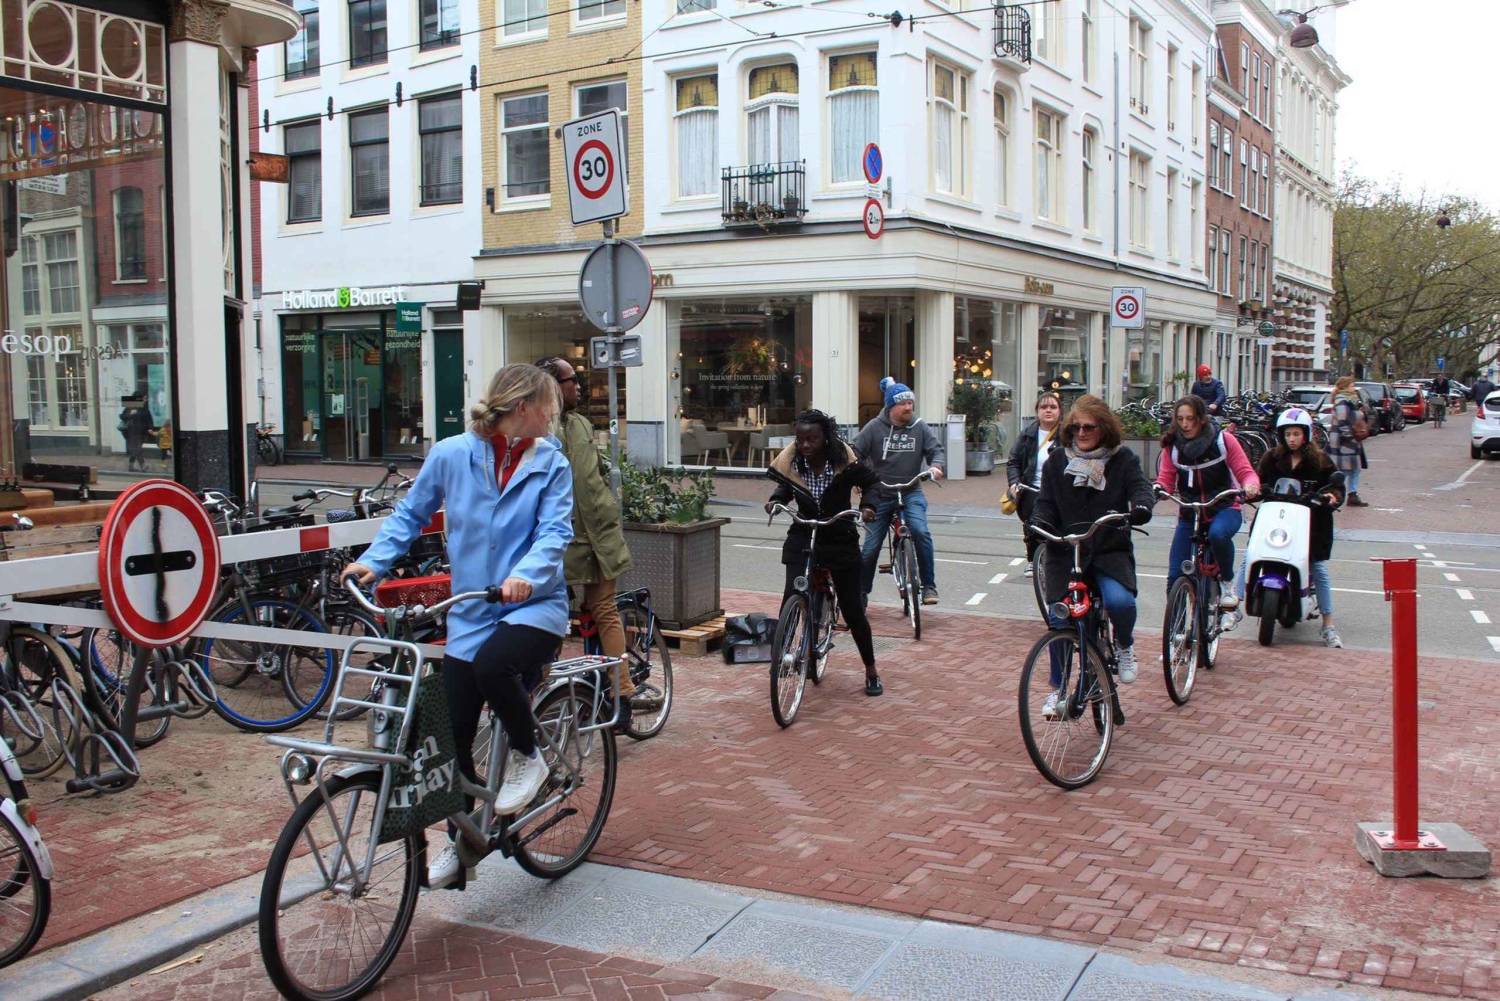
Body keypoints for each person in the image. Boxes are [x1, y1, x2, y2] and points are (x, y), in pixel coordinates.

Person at [343, 364, 572, 890]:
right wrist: (374, 562)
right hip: (471, 610)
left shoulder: (551, 464)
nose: (554, 416)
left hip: (533, 605)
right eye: (548, 407)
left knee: (496, 665)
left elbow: (556, 533)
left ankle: (528, 756)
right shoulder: (451, 455)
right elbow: (410, 514)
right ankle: (462, 841)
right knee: (451, 737)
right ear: (522, 409)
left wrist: (525, 577)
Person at [535, 356, 654, 732]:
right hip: (559, 536)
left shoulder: (583, 423)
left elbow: (597, 473)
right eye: (573, 380)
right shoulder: (538, 429)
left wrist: (608, 505)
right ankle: (542, 694)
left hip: (599, 533)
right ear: (554, 386)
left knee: (603, 609)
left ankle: (621, 697)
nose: (580, 387)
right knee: (548, 615)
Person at [1030, 395, 1155, 709]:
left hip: (1108, 550)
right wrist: (1040, 520)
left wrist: (1141, 506)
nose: (1081, 433)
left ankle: (1124, 644)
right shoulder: (1058, 461)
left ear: (1104, 429)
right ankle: (1059, 689)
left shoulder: (1122, 459)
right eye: (1075, 428)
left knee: (1119, 601)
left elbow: (1141, 487)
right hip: (1066, 551)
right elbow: (1045, 501)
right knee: (1060, 617)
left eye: (1089, 427)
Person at [766, 410, 886, 696]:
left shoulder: (844, 461)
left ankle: (871, 670)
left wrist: (869, 506)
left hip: (839, 536)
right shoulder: (793, 460)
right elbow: (787, 486)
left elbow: (873, 484)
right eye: (801, 439)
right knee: (790, 598)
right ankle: (779, 663)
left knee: (853, 609)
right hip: (804, 534)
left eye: (812, 439)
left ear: (826, 438)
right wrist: (775, 500)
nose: (805, 445)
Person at [1229, 407, 1346, 647]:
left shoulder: (1320, 461)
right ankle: (1234, 606)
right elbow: (1258, 482)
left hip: (1311, 524)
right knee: (1249, 556)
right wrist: (1251, 490)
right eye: (1288, 434)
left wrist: (1332, 496)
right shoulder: (1272, 458)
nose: (1291, 439)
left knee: (1319, 568)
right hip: (1275, 520)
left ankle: (1328, 624)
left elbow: (1336, 486)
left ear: (1306, 435)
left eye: (1296, 434)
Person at [1155, 395, 1261, 609]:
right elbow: (1165, 479)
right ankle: (1177, 632)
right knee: (1175, 574)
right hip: (1190, 513)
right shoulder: (1173, 448)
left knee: (1218, 535)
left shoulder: (1223, 441)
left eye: (1190, 419)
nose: (1184, 424)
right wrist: (1159, 489)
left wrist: (1250, 486)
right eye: (1180, 419)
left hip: (1224, 507)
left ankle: (1227, 582)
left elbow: (1245, 471)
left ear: (1201, 419)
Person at [853, 377, 946, 607]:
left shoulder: (919, 426)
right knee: (870, 548)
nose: (908, 407)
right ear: (890, 406)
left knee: (921, 532)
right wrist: (856, 475)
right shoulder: (875, 427)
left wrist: (936, 466)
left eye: (910, 403)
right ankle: (861, 593)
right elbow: (855, 452)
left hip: (910, 490)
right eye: (903, 403)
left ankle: (928, 586)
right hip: (880, 494)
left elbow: (936, 450)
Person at [1006, 392, 1063, 578]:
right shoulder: (1028, 435)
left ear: (1060, 412)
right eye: (1043, 407)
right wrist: (1014, 483)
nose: (1048, 411)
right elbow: (1013, 461)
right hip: (1032, 489)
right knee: (1032, 527)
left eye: (1052, 407)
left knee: (1057, 527)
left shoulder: (1067, 435)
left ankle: (1057, 560)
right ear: (1037, 412)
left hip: (1057, 491)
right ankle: (1033, 560)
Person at [1328, 375, 1369, 507]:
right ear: (1345, 387)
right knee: (1346, 469)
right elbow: (1342, 421)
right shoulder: (1342, 401)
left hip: (1348, 440)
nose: (1354, 388)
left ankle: (1351, 493)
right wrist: (1350, 437)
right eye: (1351, 385)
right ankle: (1338, 493)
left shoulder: (1350, 400)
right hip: (1344, 441)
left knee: (1353, 468)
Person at [118, 394, 155, 473]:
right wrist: (130, 414)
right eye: (144, 398)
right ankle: (143, 466)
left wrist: (150, 428)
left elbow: (149, 419)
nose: (146, 400)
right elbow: (123, 417)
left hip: (141, 433)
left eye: (146, 398)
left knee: (135, 449)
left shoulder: (145, 409)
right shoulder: (130, 407)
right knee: (138, 449)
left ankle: (131, 466)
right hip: (131, 432)